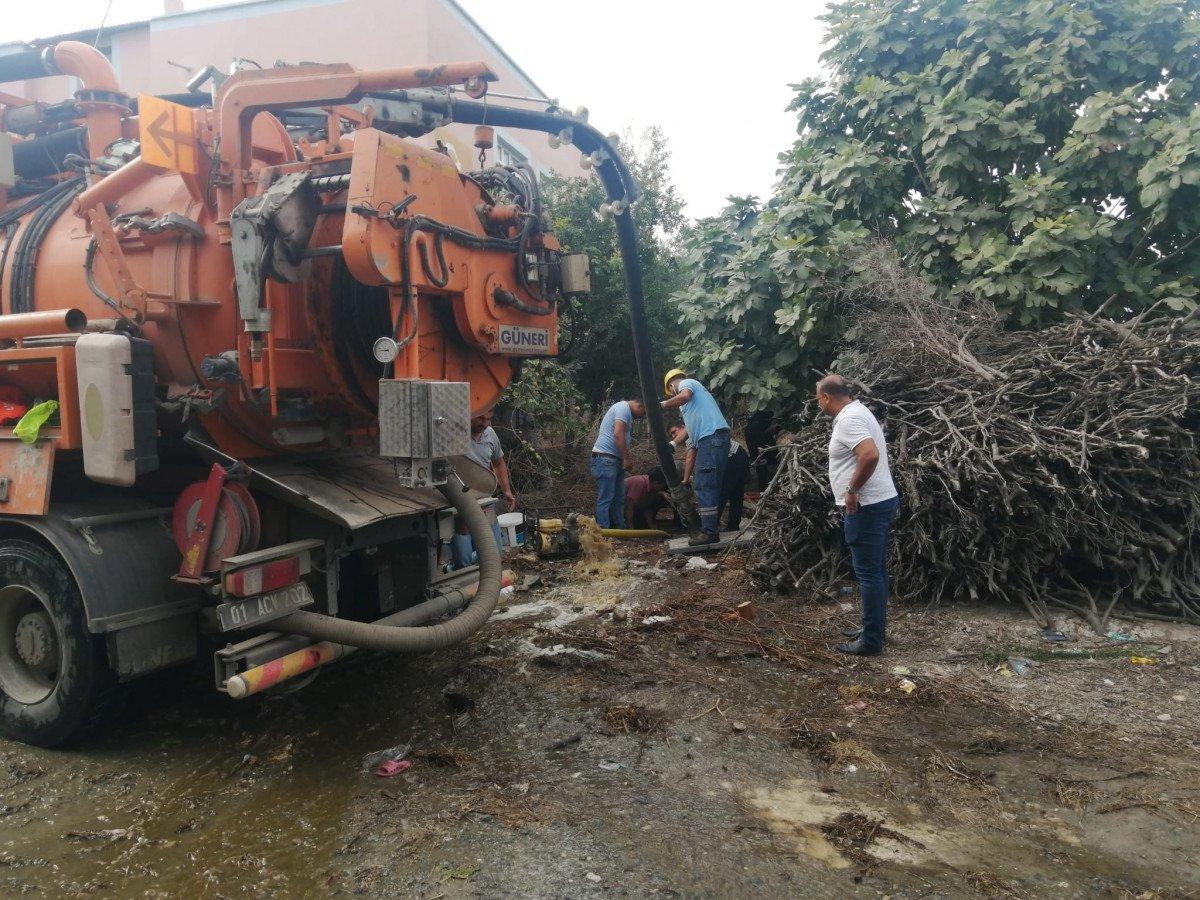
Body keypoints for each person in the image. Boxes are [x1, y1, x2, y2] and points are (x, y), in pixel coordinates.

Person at [817, 374, 899, 656]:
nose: (819, 405)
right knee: (874, 570)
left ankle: (872, 641)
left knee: (868, 573)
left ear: (826, 397)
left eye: (819, 399)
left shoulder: (849, 419)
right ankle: (873, 629)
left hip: (866, 506)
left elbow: (870, 455)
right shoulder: (859, 411)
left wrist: (852, 488)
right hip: (878, 502)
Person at [661, 368, 730, 545]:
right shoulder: (692, 407)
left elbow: (684, 396)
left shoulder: (686, 383)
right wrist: (674, 444)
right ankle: (711, 528)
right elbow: (689, 432)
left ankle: (709, 532)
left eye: (671, 391)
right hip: (717, 439)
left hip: (711, 438)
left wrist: (662, 405)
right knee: (712, 485)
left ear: (671, 385)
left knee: (704, 484)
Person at [450, 408, 514, 569]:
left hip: (485, 502)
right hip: (458, 503)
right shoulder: (452, 434)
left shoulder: (490, 434)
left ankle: (485, 581)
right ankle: (455, 572)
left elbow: (498, 462)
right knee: (463, 561)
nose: (485, 424)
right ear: (469, 415)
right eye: (480, 419)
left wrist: (506, 490)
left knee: (494, 552)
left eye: (488, 419)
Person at [670, 426, 750, 531]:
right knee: (735, 494)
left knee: (721, 492)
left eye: (674, 431)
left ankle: (710, 527)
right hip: (739, 453)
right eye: (671, 435)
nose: (674, 436)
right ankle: (732, 526)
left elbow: (691, 457)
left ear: (682, 427)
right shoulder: (698, 430)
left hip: (731, 457)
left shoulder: (691, 433)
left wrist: (685, 479)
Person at [590, 398, 647, 528]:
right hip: (605, 458)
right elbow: (617, 434)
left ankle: (620, 529)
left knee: (619, 498)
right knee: (606, 498)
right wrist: (626, 458)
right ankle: (604, 531)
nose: (641, 416)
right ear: (640, 406)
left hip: (615, 459)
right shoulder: (623, 408)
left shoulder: (626, 412)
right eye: (643, 413)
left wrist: (624, 458)